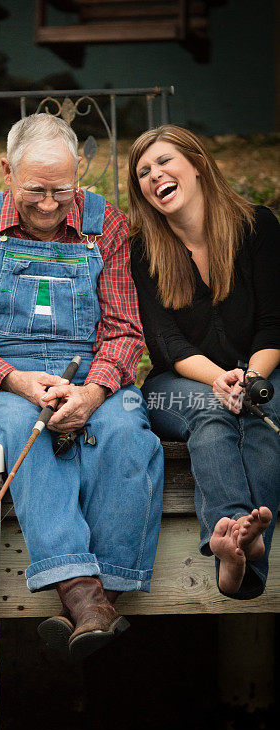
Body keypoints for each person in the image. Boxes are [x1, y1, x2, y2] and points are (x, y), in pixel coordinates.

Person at [0, 113, 164, 659]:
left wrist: (92, 393)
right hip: (3, 375)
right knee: (22, 428)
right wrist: (12, 379)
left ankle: (95, 599)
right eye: (34, 189)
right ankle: (85, 595)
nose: (48, 203)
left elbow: (126, 331)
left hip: (90, 371)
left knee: (128, 432)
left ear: (79, 171)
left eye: (62, 189)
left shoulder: (106, 225)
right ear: (6, 171)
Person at [128, 124, 280, 599]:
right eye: (144, 173)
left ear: (197, 163)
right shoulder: (144, 250)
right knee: (212, 411)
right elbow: (165, 343)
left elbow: (275, 322)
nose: (155, 176)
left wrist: (251, 377)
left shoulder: (258, 227)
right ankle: (235, 529)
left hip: (260, 367)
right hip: (178, 383)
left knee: (262, 411)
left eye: (165, 162)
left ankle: (238, 561)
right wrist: (220, 379)